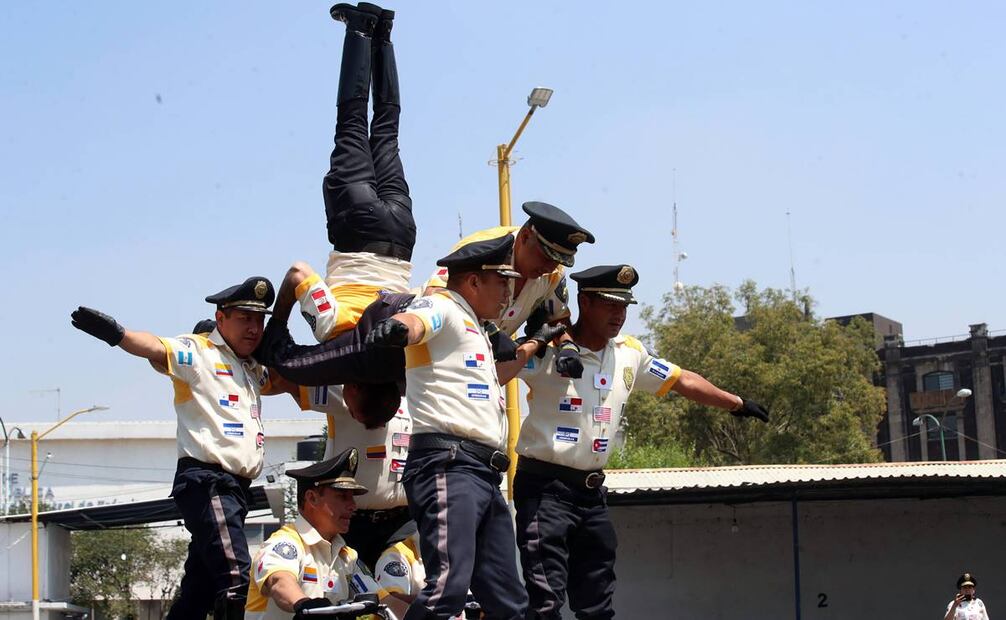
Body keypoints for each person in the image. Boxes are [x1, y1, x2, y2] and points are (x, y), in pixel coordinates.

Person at [513, 264, 769, 620]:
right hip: (545, 489)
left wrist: (736, 403)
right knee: (545, 603)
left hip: (592, 495)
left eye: (624, 307)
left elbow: (682, 380)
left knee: (598, 604)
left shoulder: (629, 352)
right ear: (585, 302)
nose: (619, 315)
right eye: (610, 305)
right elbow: (496, 367)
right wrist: (533, 338)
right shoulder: (549, 349)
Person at [71, 277, 297, 619]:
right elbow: (154, 348)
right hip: (209, 483)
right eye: (244, 318)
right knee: (236, 581)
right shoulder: (199, 352)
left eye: (259, 320)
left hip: (235, 490)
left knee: (198, 593)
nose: (253, 328)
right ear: (221, 319)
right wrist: (117, 334)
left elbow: (288, 379)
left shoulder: (252, 368)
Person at [366, 234, 561, 620]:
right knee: (446, 588)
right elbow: (418, 321)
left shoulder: (476, 328)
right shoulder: (444, 305)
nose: (509, 294)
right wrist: (398, 329)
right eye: (502, 282)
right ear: (473, 281)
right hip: (448, 465)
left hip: (482, 472)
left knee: (508, 601)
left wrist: (534, 343)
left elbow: (503, 373)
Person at [423, 200, 595, 375]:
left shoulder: (553, 274)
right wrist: (489, 330)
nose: (550, 267)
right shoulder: (485, 249)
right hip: (434, 355)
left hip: (478, 365)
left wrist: (568, 346)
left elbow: (557, 319)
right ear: (525, 236)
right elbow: (434, 295)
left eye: (558, 261)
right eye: (546, 257)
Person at [245, 448, 408, 620]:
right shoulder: (284, 544)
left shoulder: (347, 557)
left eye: (352, 497)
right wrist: (303, 605)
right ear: (312, 498)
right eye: (342, 496)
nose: (353, 505)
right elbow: (279, 581)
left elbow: (385, 601)